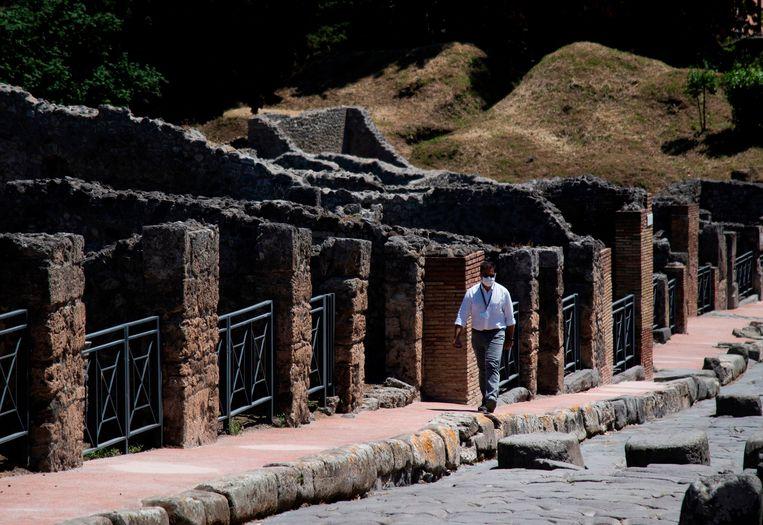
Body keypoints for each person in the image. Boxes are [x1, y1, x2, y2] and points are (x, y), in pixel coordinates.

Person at [453, 260, 515, 413]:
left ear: (495, 275)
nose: (489, 278)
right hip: (478, 334)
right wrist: (456, 337)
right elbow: (462, 315)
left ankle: (492, 398)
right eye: (486, 275)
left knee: (492, 364)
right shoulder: (472, 293)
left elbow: (510, 319)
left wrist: (509, 338)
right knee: (482, 368)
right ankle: (485, 400)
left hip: (496, 333)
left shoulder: (503, 292)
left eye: (492, 275)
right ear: (480, 275)